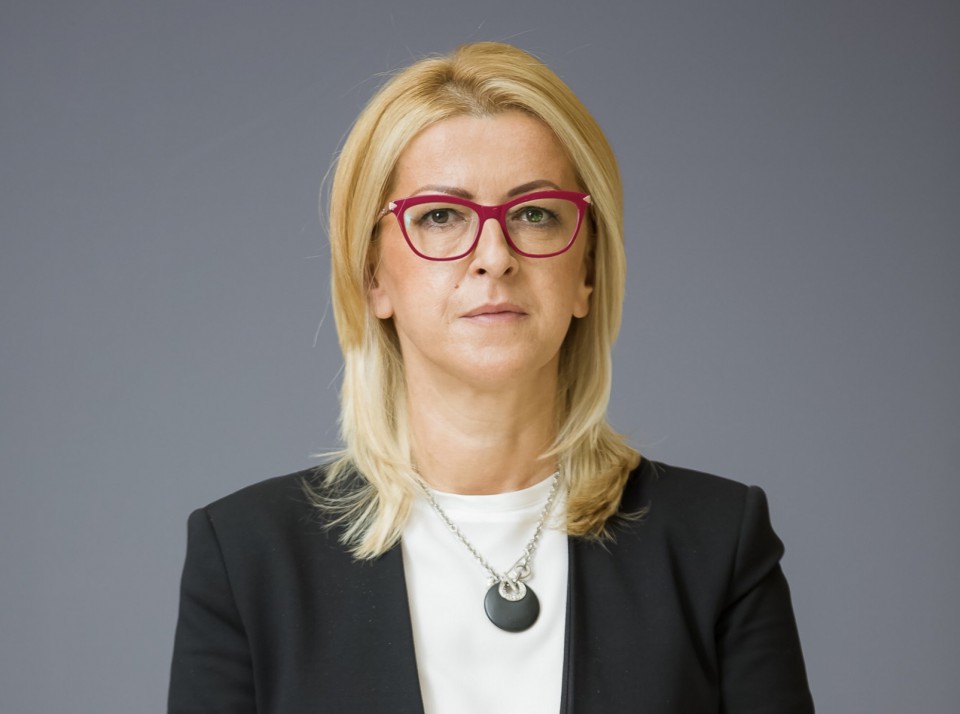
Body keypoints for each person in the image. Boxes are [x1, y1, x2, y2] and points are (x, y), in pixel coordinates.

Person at [168, 42, 814, 713]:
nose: (494, 256)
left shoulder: (717, 544)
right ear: (372, 275)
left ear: (587, 272)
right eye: (440, 216)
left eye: (536, 213)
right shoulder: (246, 557)